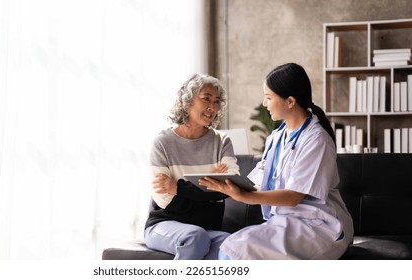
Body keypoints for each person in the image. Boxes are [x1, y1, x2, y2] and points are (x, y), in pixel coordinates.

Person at [199, 63, 354, 259]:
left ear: (290, 101)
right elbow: (261, 184)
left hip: (319, 226)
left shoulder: (316, 139)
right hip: (287, 221)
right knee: (229, 248)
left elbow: (293, 196)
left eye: (269, 97)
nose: (264, 104)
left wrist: (244, 196)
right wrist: (228, 185)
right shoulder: (276, 137)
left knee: (235, 251)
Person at [143, 73, 240, 260]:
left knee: (231, 245)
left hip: (206, 228)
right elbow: (165, 200)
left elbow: (229, 188)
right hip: (164, 224)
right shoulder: (162, 142)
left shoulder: (222, 141)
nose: (212, 107)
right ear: (187, 102)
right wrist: (210, 184)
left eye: (217, 101)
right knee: (194, 236)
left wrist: (178, 187)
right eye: (206, 99)